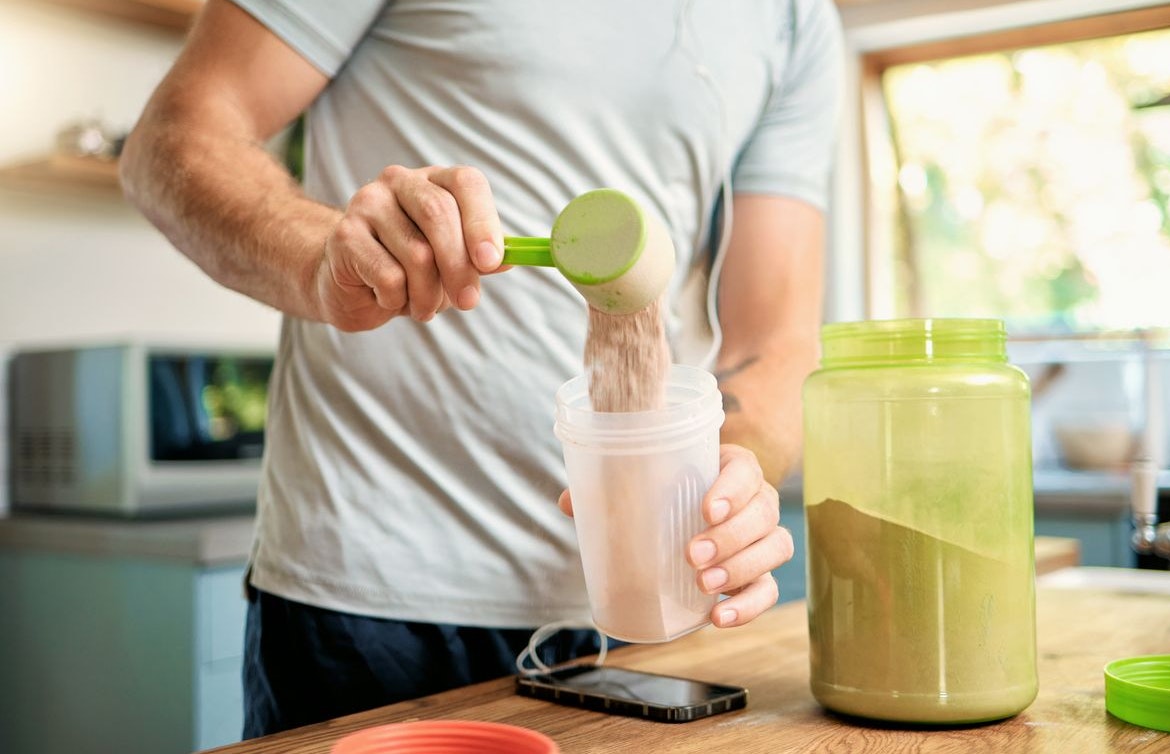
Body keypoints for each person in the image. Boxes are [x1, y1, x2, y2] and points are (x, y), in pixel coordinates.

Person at [120, 0, 842, 738]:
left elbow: (777, 339)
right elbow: (170, 139)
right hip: (367, 602)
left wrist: (728, 483)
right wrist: (322, 258)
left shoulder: (792, 19)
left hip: (634, 617)